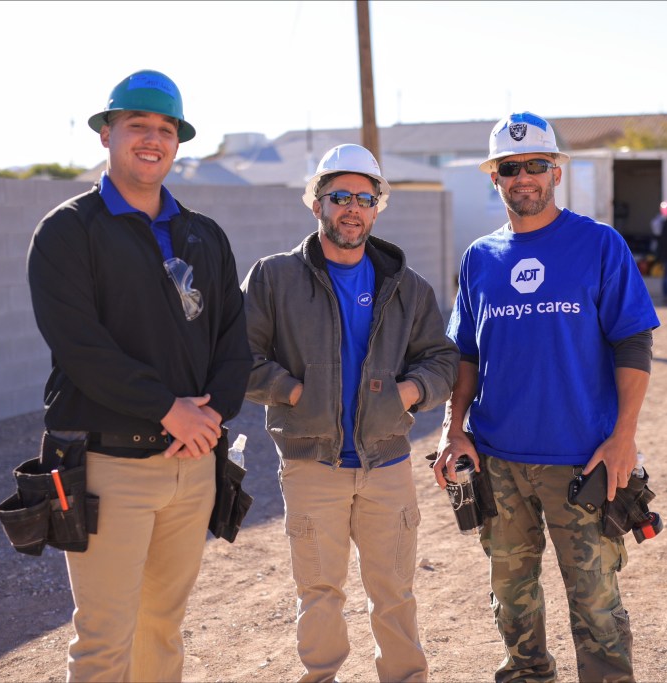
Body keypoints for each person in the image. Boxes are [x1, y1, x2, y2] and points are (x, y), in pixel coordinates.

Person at [26, 69, 251, 681]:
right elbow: (81, 347)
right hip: (109, 472)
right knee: (104, 641)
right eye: (137, 126)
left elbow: (236, 335)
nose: (152, 139)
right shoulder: (67, 232)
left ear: (178, 142)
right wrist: (168, 409)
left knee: (163, 630)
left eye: (165, 129)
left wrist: (211, 417)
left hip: (194, 464)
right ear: (106, 134)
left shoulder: (205, 234)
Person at [433, 111, 660, 683]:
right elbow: (465, 355)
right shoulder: (479, 259)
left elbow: (633, 341)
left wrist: (623, 439)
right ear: (496, 178)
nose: (523, 177)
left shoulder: (598, 244)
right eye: (510, 168)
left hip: (582, 461)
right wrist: (452, 429)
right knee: (512, 601)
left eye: (536, 164)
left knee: (596, 605)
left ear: (556, 170)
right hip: (498, 462)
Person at [242, 144, 458, 683]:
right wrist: (293, 392)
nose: (352, 208)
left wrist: (410, 393)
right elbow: (235, 358)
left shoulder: (406, 287)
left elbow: (442, 358)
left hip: (386, 464)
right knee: (318, 594)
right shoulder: (273, 278)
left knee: (395, 592)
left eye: (365, 197)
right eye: (340, 196)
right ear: (316, 203)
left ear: (378, 207)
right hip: (312, 464)